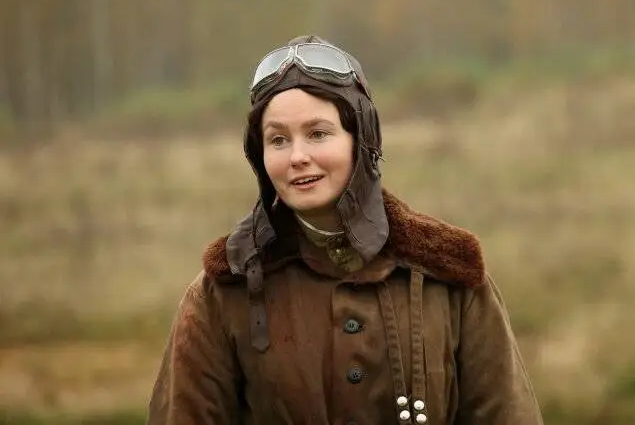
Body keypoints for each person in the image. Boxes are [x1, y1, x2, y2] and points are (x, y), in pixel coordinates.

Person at [147, 35, 544, 425]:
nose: (298, 156)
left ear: (361, 139)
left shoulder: (450, 276)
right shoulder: (223, 291)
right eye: (278, 140)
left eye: (318, 134)